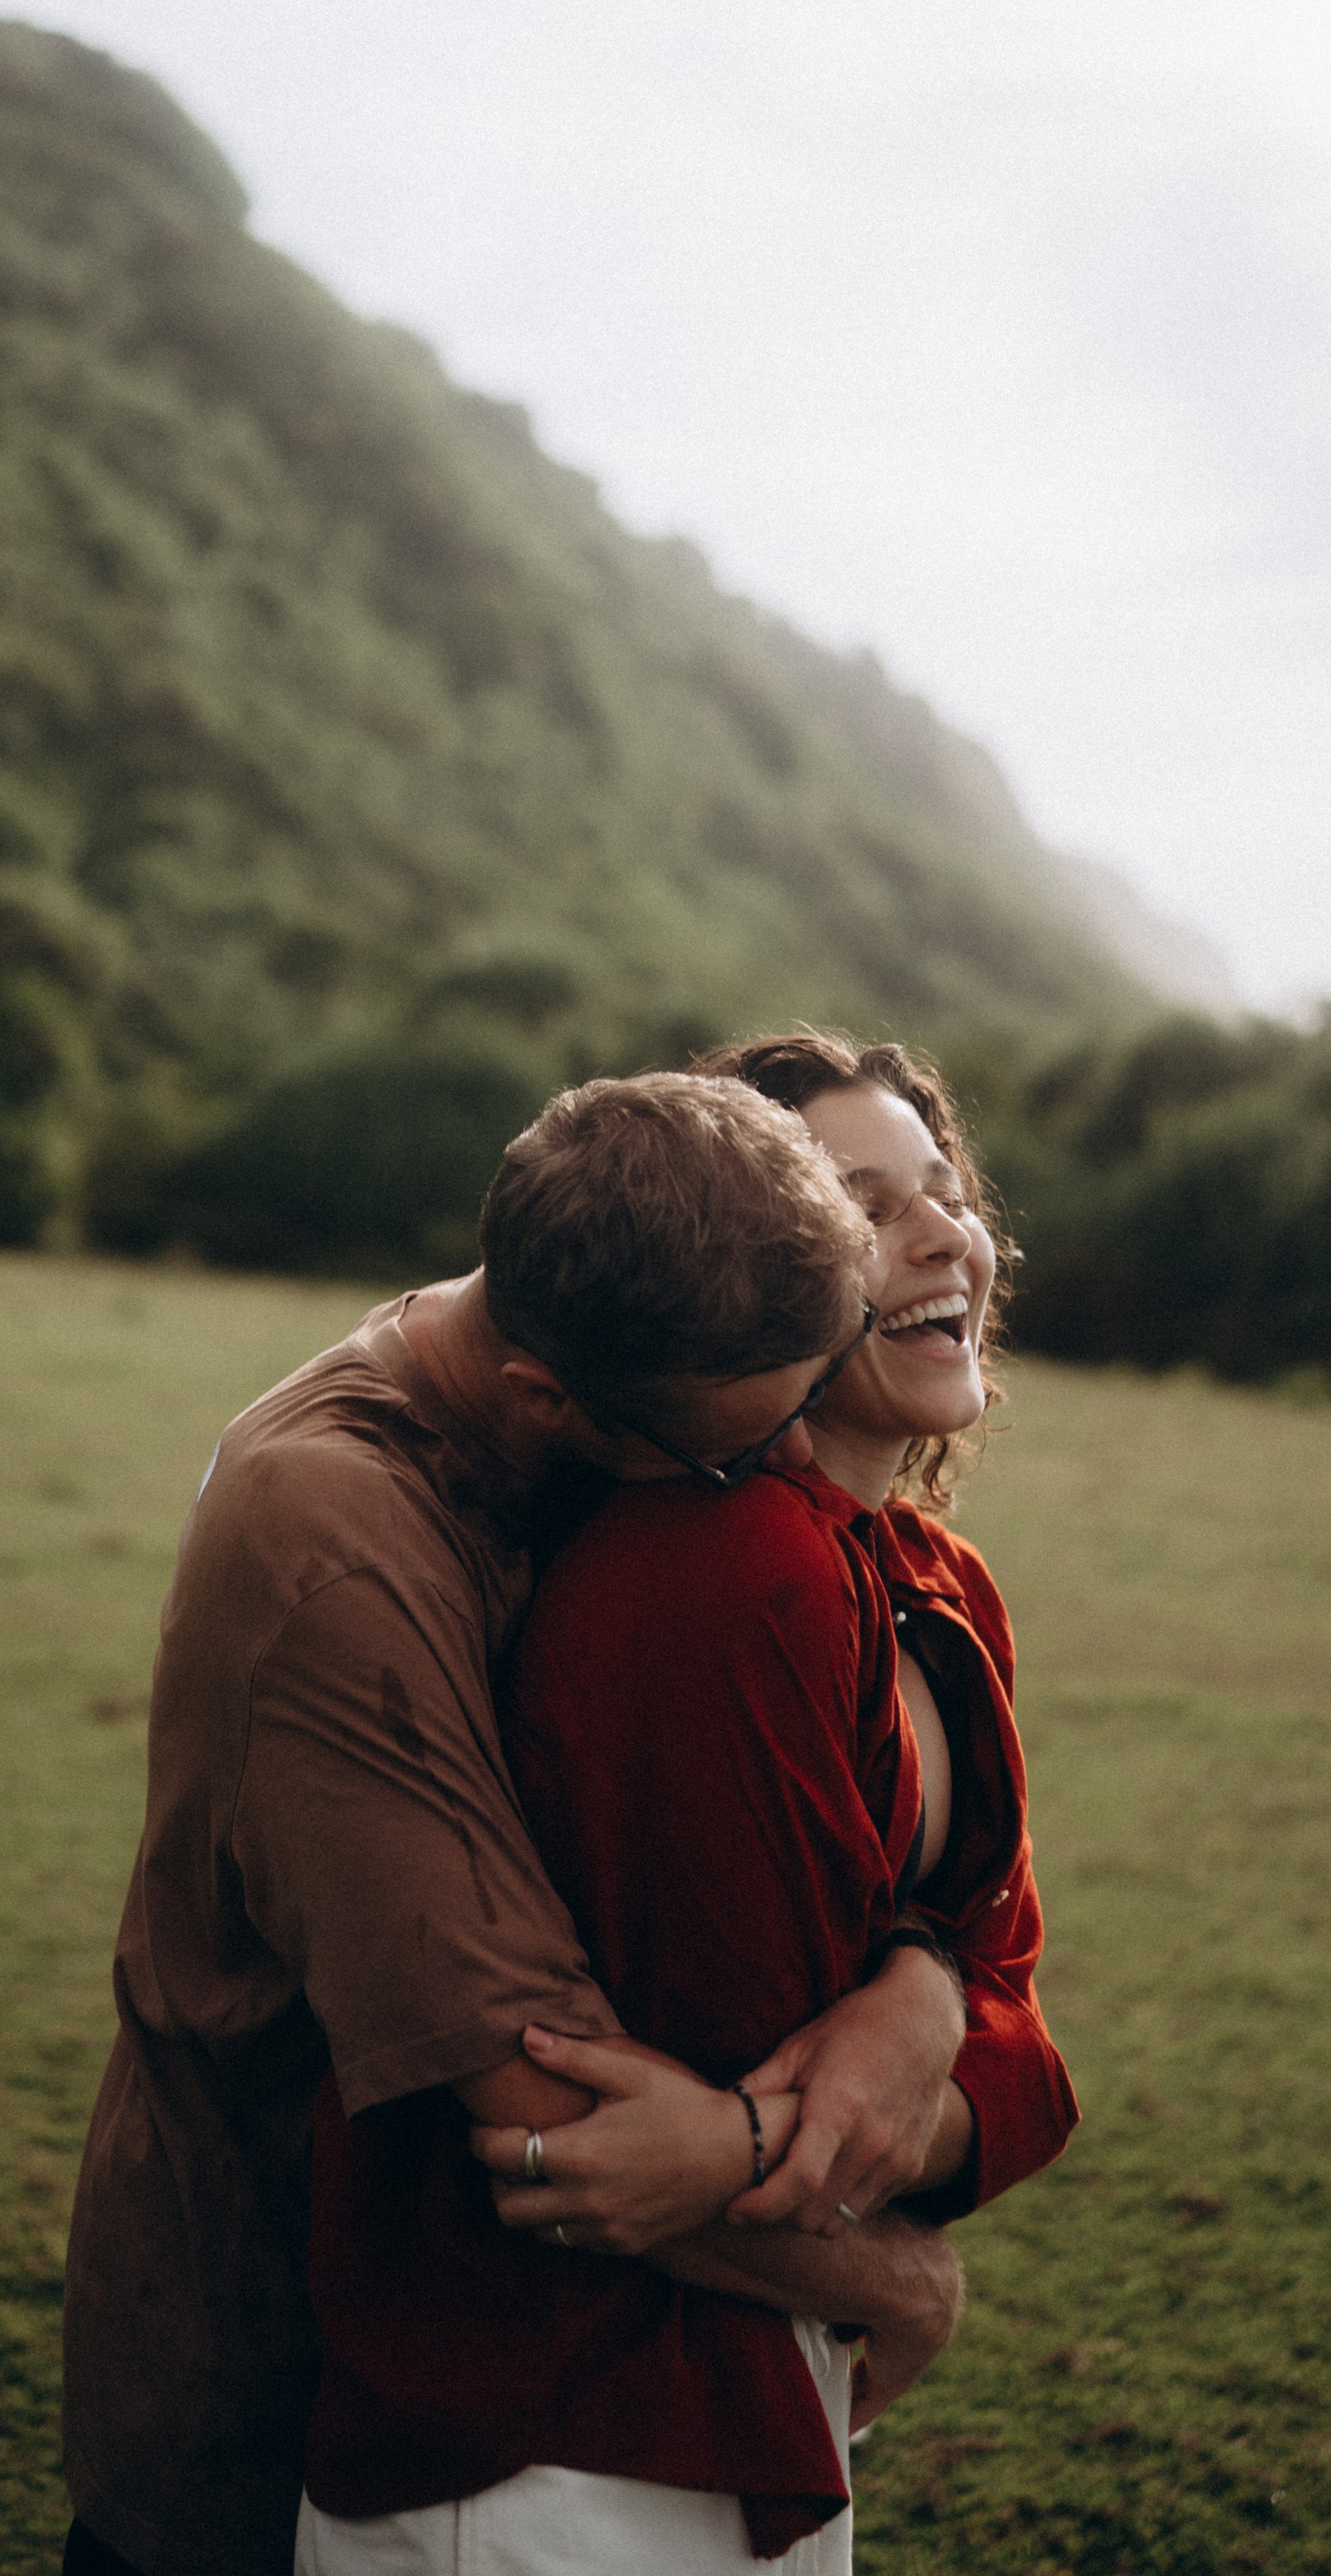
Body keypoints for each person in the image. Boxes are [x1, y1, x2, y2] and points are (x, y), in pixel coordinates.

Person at [62, 1072, 973, 2576]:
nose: (775, 1484)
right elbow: (548, 2114)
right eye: (741, 1453)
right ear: (556, 1403)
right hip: (279, 2374)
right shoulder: (337, 1554)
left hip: (497, 2354)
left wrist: (922, 1972)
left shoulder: (581, 1321)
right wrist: (896, 2284)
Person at [296, 1035, 1078, 2571]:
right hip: (560, 2432)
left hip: (750, 2383)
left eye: (943, 1189)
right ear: (753, 1275)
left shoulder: (934, 1579)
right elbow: (727, 2084)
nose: (940, 1237)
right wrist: (863, 2225)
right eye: (864, 1206)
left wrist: (919, 1988)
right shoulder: (733, 1574)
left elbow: (1023, 2043)